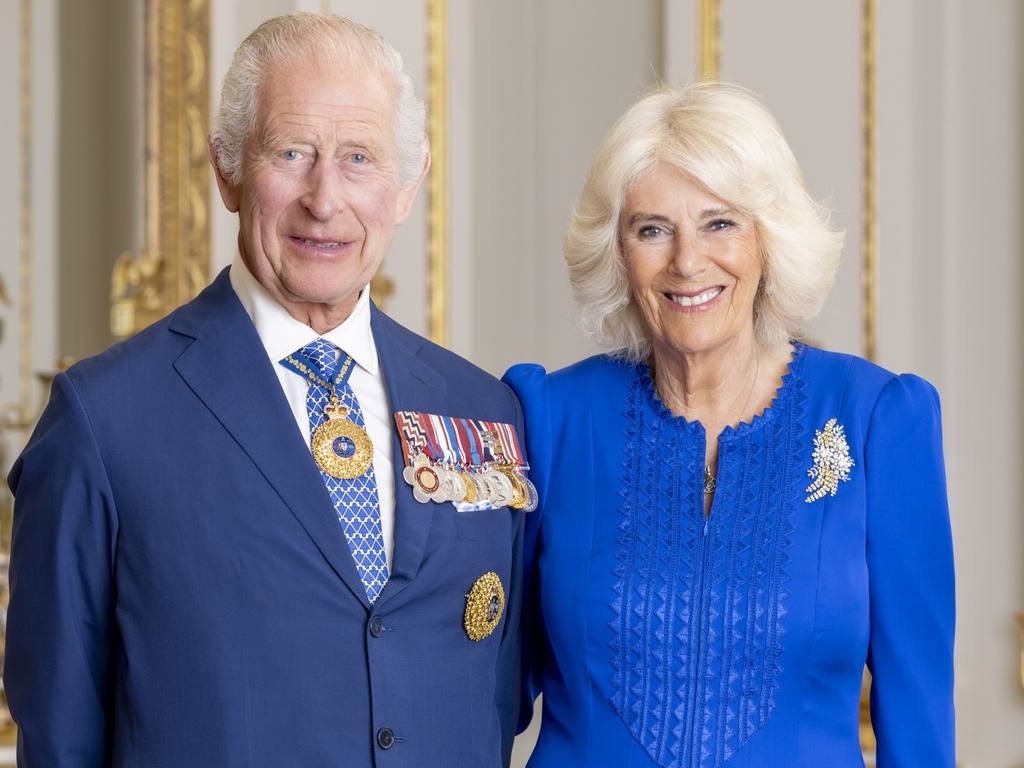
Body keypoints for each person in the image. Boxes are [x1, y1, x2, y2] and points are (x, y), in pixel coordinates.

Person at [6, 13, 527, 767]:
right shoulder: (103, 422)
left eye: (360, 158)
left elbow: (494, 694)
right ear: (227, 168)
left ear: (409, 184)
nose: (326, 197)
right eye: (292, 152)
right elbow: (60, 739)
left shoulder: (484, 410)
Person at [504, 82, 954, 767]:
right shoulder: (548, 419)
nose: (687, 261)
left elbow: (918, 720)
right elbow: (485, 694)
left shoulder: (876, 420)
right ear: (618, 253)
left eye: (720, 223)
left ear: (767, 239)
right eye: (652, 229)